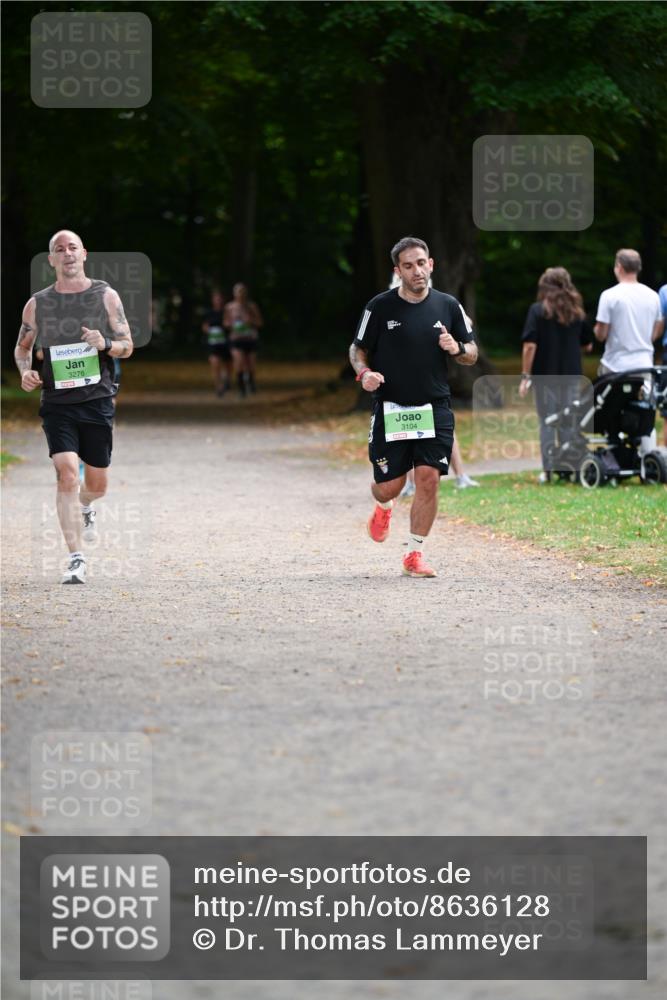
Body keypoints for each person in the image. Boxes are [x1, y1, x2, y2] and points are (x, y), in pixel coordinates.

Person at [349, 236, 477, 578]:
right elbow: (357, 349)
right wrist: (364, 374)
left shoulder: (449, 306)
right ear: (398, 271)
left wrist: (456, 348)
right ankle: (383, 505)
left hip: (434, 407)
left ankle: (414, 554)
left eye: (422, 263)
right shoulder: (380, 307)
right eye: (408, 265)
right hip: (392, 406)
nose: (417, 271)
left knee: (428, 478)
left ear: (431, 264)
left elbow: (472, 353)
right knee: (390, 484)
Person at [14, 229, 133, 584]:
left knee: (96, 484)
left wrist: (106, 343)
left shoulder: (105, 295)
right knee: (66, 473)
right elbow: (22, 349)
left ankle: (86, 506)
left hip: (97, 399)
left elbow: (127, 344)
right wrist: (25, 373)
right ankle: (76, 558)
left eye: (72, 248)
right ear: (51, 260)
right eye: (59, 249)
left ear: (84, 254)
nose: (66, 253)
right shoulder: (37, 303)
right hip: (57, 402)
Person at [519, 267, 593, 482]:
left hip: (545, 378)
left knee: (548, 422)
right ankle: (570, 468)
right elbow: (588, 344)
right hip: (571, 376)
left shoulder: (537, 311)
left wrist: (526, 375)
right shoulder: (576, 313)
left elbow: (529, 345)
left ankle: (549, 470)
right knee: (569, 421)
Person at [594, 249, 662, 375]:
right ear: (638, 268)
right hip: (644, 364)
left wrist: (597, 330)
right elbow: (656, 331)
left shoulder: (609, 295)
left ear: (619, 266)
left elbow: (601, 335)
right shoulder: (653, 296)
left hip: (615, 366)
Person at [223, 282, 263, 396]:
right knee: (238, 363)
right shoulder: (229, 307)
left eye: (242, 291)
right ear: (234, 294)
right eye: (238, 292)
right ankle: (241, 388)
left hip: (250, 338)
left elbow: (260, 322)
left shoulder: (252, 306)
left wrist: (251, 321)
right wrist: (231, 324)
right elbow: (225, 322)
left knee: (251, 364)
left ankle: (251, 381)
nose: (240, 294)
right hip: (236, 339)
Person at [202, 289, 232, 397]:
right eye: (216, 298)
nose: (218, 300)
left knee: (228, 365)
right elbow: (204, 325)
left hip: (225, 342)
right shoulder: (209, 312)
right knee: (215, 364)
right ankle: (218, 387)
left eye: (219, 298)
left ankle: (227, 380)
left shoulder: (226, 311)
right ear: (213, 300)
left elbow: (230, 324)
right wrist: (207, 330)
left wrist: (226, 324)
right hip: (213, 342)